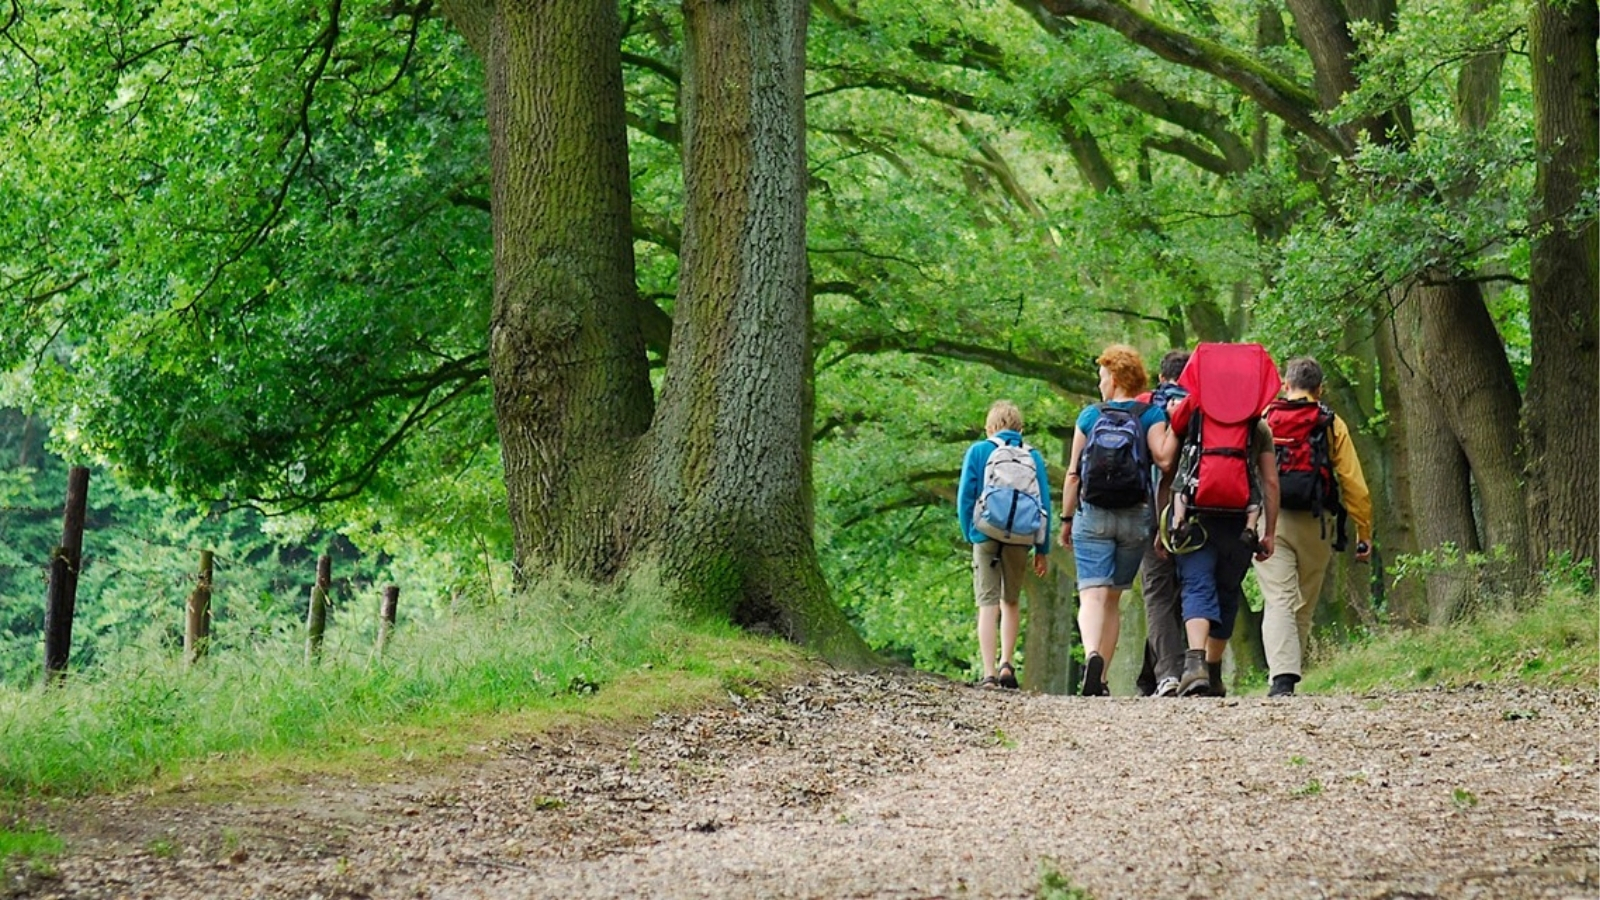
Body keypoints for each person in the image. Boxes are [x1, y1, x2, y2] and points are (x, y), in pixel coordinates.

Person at [1058, 345, 1176, 696]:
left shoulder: (1089, 416)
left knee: (1091, 595)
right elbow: (1165, 461)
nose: (1100, 384)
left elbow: (1073, 474)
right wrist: (1177, 423)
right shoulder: (1151, 414)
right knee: (1112, 599)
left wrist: (1066, 518)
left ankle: (1092, 656)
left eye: (1102, 377)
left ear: (1114, 378)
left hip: (1093, 514)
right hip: (1135, 517)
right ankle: (1103, 678)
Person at [1165, 343, 1281, 698]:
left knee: (1196, 586)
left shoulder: (1194, 410)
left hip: (1195, 517)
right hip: (1240, 522)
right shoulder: (1257, 424)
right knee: (1227, 591)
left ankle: (1194, 666)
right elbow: (1270, 481)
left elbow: (1171, 451)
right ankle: (1213, 671)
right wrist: (1269, 532)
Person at [1255, 357, 1374, 697]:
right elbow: (1353, 483)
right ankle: (1287, 676)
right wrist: (1363, 532)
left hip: (1270, 518)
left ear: (1286, 385)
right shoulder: (1330, 422)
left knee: (1277, 597)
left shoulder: (1265, 417)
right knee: (1303, 601)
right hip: (1316, 521)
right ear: (1319, 389)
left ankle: (1281, 677)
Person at [957, 400, 1051, 689]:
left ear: (990, 427)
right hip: (1021, 536)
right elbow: (1044, 504)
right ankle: (1007, 663)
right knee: (1010, 600)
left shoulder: (978, 451)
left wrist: (970, 532)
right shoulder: (1032, 456)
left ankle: (988, 673)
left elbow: (965, 496)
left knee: (987, 603)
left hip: (985, 533)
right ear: (1019, 429)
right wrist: (1042, 549)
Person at [1134, 350, 1189, 697]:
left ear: (1160, 376)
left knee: (1157, 591)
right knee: (1189, 589)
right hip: (1201, 507)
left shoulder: (1144, 407)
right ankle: (1154, 676)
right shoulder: (1204, 407)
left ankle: (1167, 673)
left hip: (1151, 507)